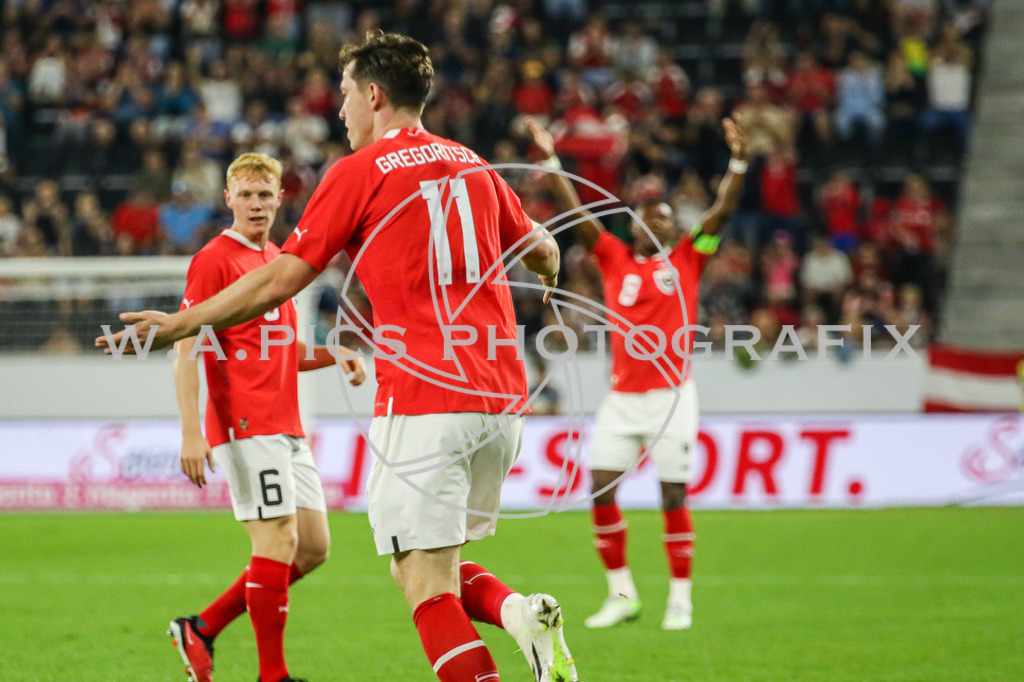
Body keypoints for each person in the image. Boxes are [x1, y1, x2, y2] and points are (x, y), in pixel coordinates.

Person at [97, 33, 577, 682]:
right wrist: (548, 273)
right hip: (501, 403)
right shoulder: (476, 165)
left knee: (424, 585)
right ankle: (517, 613)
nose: (340, 110)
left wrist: (179, 322)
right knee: (435, 562)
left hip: (424, 399)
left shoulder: (358, 172)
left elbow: (278, 282)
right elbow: (544, 248)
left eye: (347, 95)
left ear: (375, 95)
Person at [527, 114, 748, 630]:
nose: (661, 224)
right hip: (622, 399)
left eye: (667, 217)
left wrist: (738, 160)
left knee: (673, 494)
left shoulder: (692, 256)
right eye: (651, 217)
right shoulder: (612, 258)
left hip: (672, 397)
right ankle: (622, 594)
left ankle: (680, 599)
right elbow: (577, 212)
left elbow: (722, 212)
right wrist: (550, 159)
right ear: (636, 226)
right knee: (601, 489)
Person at [166, 152, 366, 682]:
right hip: (245, 424)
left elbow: (287, 352)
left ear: (281, 199)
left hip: (288, 425)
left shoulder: (279, 260)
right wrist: (191, 430)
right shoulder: (214, 260)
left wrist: (334, 353)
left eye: (264, 195)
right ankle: (272, 676)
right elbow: (185, 346)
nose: (256, 204)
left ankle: (201, 627)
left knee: (314, 548)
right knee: (276, 540)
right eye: (246, 195)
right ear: (228, 198)